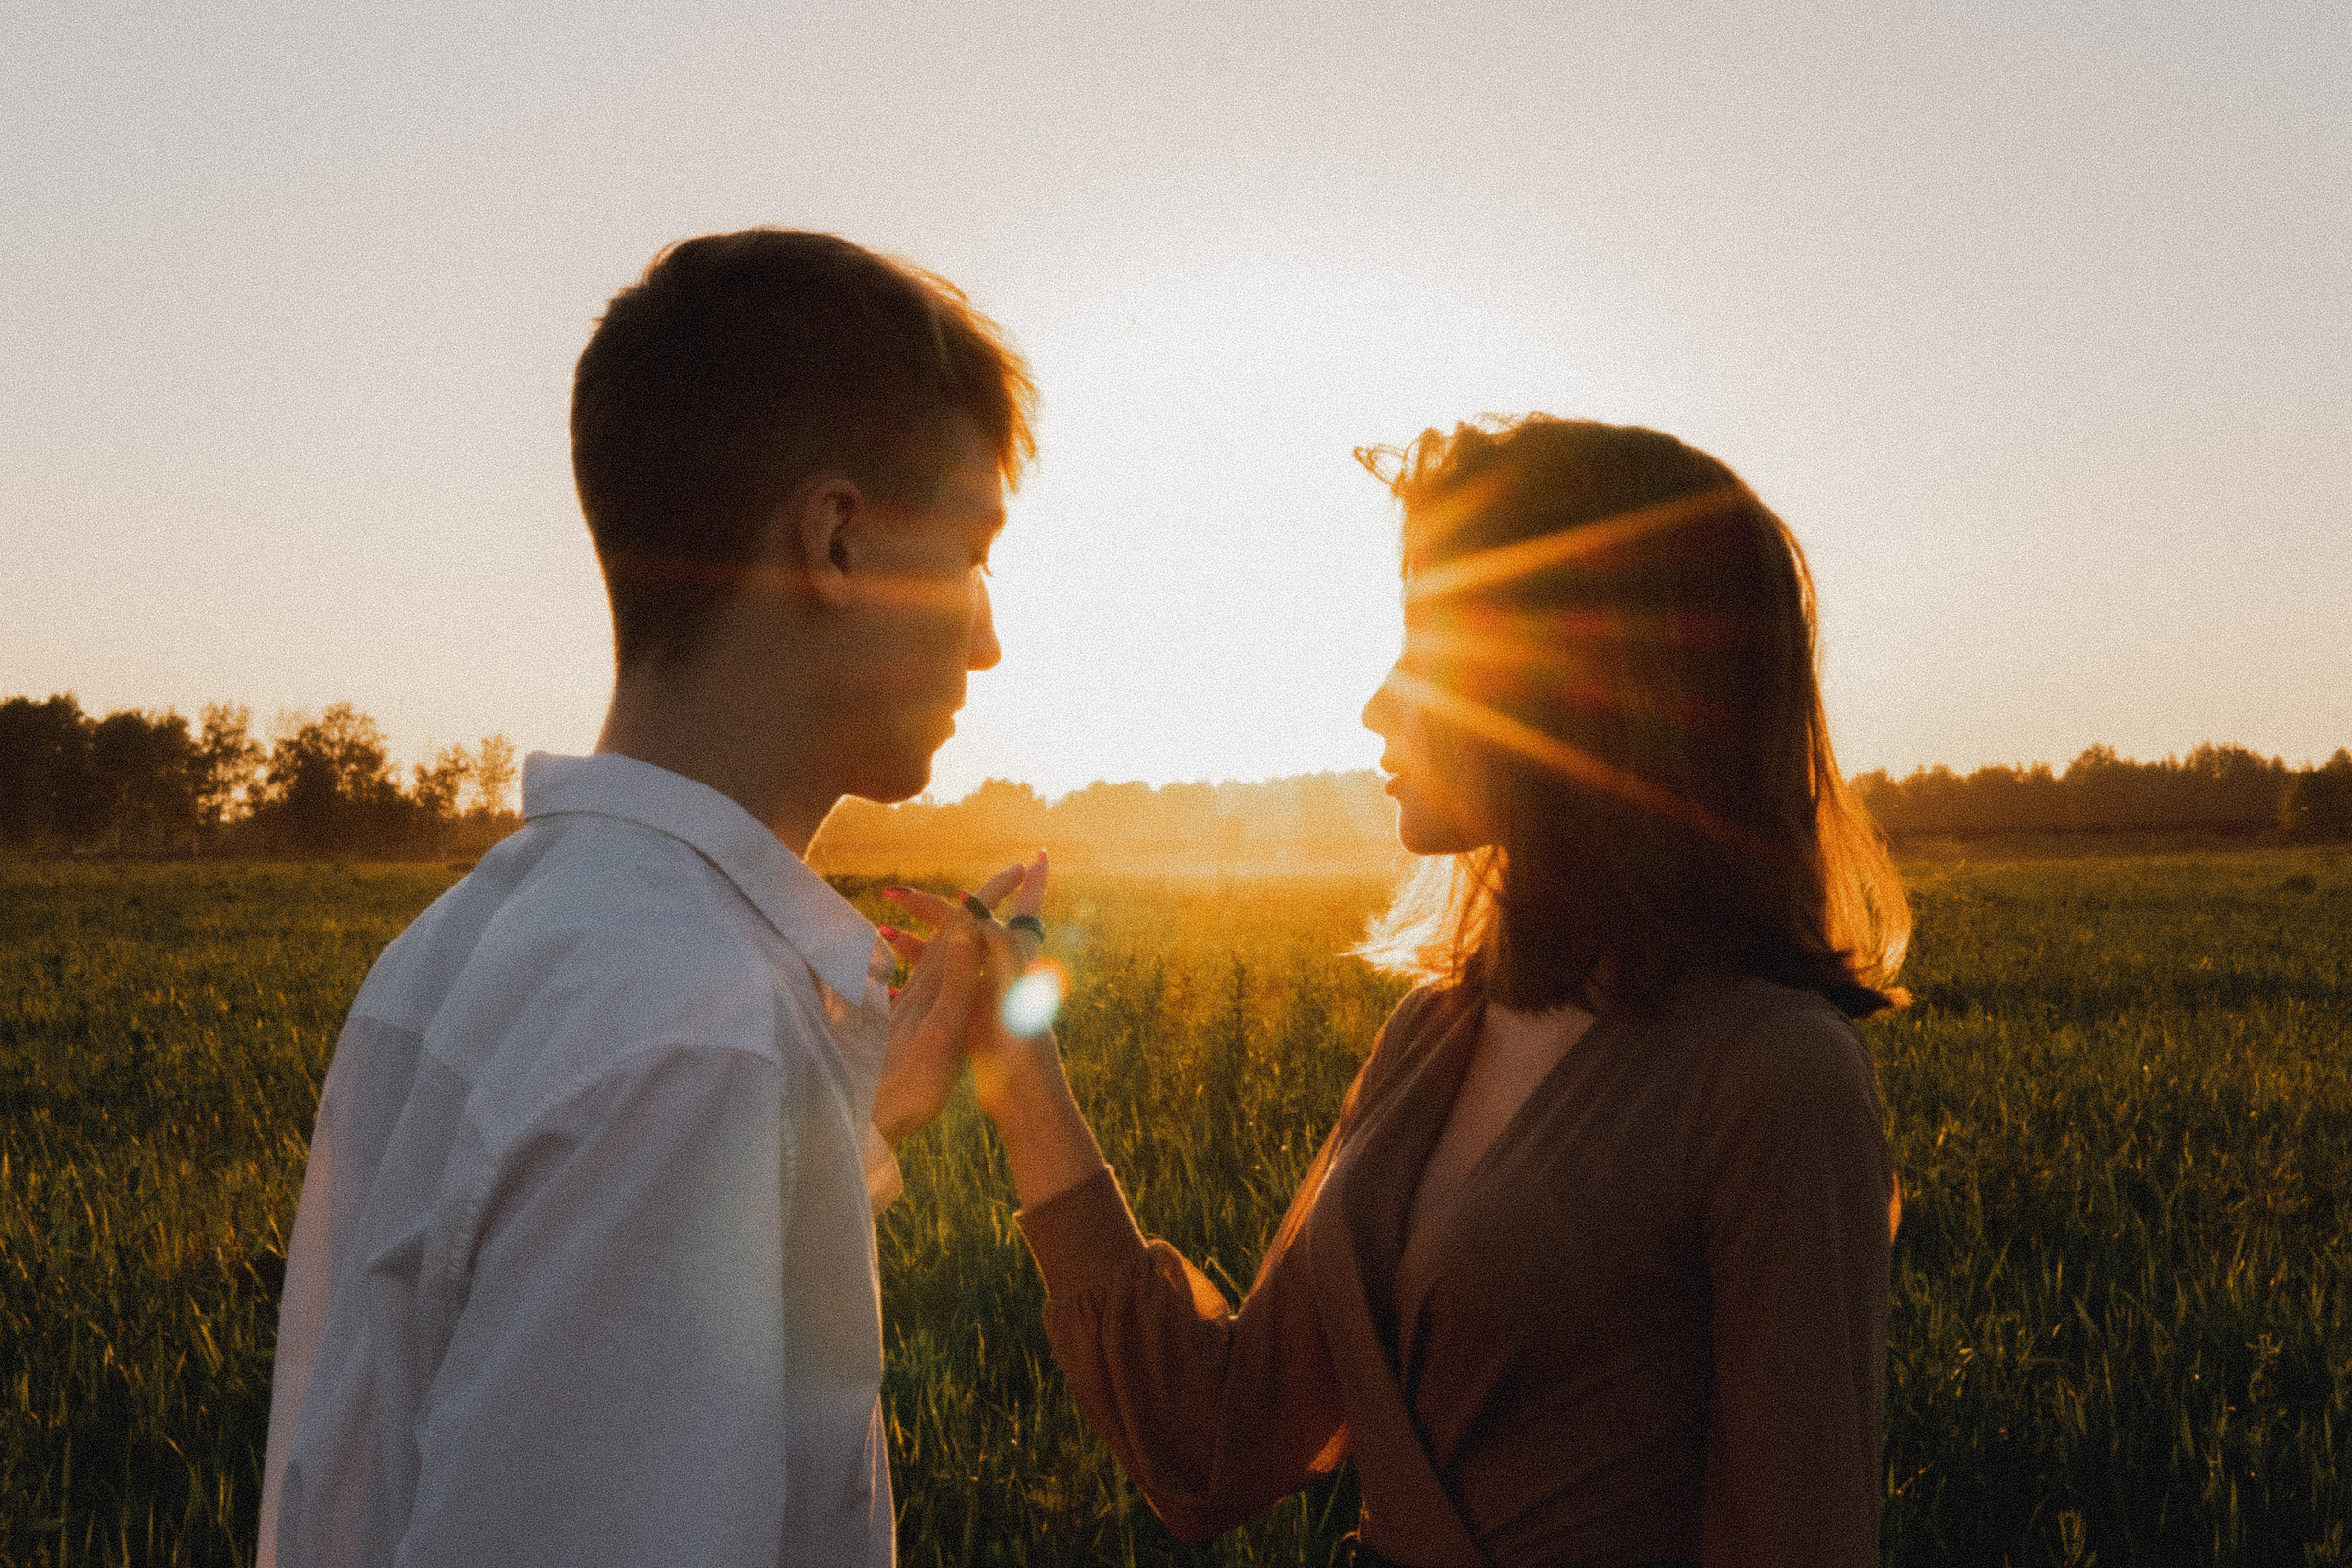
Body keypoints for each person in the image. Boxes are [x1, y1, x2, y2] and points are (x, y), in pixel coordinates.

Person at [900, 416, 1910, 1567]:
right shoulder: (1438, 1033)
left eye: (1431, 649)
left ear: (1590, 681)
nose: (1380, 706)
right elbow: (1214, 1444)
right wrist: (1015, 1070)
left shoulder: (1775, 1077)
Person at [258, 229, 1036, 1567]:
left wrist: (854, 1110)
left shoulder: (465, 948)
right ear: (839, 542)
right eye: (969, 552)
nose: (988, 633)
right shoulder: (690, 1042)